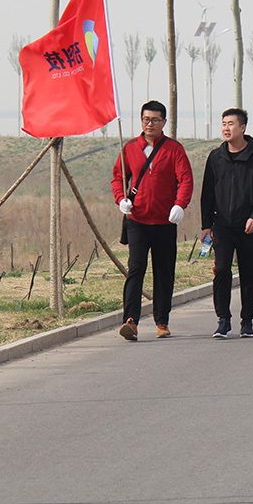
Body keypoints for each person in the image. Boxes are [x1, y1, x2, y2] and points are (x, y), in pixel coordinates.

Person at [112, 100, 194, 341]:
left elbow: (185, 179)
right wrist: (120, 199)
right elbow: (118, 178)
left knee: (164, 272)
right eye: (146, 119)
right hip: (137, 220)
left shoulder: (174, 149)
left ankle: (162, 321)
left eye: (155, 120)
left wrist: (180, 204)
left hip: (165, 222)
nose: (150, 124)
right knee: (135, 270)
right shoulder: (129, 148)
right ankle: (131, 320)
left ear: (164, 122)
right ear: (141, 121)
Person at [200, 108, 253, 338]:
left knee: (250, 273)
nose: (226, 128)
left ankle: (247, 320)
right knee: (221, 270)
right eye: (223, 123)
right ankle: (223, 319)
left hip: (249, 225)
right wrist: (206, 225)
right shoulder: (215, 157)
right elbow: (207, 193)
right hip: (222, 224)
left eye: (231, 123)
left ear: (243, 127)